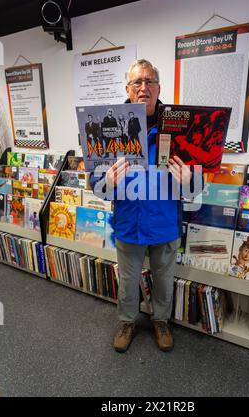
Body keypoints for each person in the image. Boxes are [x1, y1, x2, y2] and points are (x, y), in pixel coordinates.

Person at [92, 59, 193, 353]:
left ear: (159, 88)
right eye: (137, 82)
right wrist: (107, 181)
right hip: (129, 223)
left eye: (150, 82)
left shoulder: (179, 127)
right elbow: (97, 187)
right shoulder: (106, 129)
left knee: (163, 281)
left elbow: (197, 185)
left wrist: (189, 180)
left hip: (165, 223)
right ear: (128, 88)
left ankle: (160, 320)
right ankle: (127, 321)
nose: (144, 88)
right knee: (128, 282)